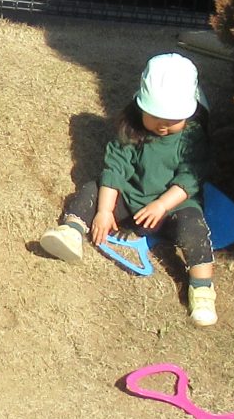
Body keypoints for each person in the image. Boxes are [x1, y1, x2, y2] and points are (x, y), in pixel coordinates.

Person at [37, 52, 218, 325]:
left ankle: (202, 289)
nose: (163, 125)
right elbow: (115, 169)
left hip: (175, 205)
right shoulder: (132, 130)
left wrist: (162, 205)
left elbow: (190, 177)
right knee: (92, 189)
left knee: (194, 229)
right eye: (155, 115)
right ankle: (72, 231)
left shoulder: (191, 136)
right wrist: (104, 211)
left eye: (173, 119)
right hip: (131, 195)